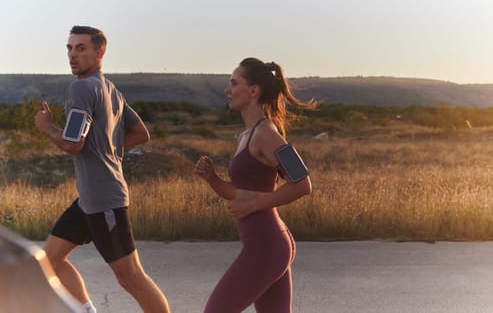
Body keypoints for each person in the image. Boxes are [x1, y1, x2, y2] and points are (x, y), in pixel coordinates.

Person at [34, 26, 170, 313]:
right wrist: (108, 150)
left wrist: (47, 128)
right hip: (89, 199)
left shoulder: (82, 88)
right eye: (69, 48)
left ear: (100, 52)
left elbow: (73, 144)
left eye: (81, 48)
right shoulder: (110, 90)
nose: (73, 55)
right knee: (49, 260)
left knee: (130, 277)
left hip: (104, 200)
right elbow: (141, 133)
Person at [195, 57, 318, 313]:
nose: (227, 90)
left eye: (233, 82)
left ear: (253, 91)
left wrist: (253, 206)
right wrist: (213, 180)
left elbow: (302, 183)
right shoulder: (247, 135)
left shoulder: (266, 134)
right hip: (268, 244)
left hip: (267, 246)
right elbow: (239, 194)